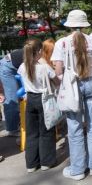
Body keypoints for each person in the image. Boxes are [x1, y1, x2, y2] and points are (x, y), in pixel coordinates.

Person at [51, 10, 92, 181]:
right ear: (84, 24)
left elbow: (58, 70)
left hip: (73, 85)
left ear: (70, 24)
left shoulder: (62, 43)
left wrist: (64, 79)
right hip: (91, 83)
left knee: (74, 129)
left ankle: (78, 169)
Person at [18, 38, 59, 172]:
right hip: (43, 99)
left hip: (30, 99)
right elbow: (57, 81)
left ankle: (31, 164)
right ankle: (46, 162)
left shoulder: (22, 66)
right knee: (46, 131)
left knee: (32, 133)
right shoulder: (44, 67)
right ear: (40, 51)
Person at [0, 48, 24, 137]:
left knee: (18, 97)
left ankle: (17, 123)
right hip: (7, 67)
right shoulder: (36, 54)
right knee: (12, 99)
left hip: (13, 66)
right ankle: (12, 129)